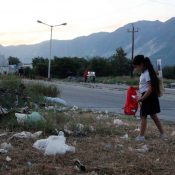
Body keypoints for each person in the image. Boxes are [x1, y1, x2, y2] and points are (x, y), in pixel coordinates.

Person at [132, 55, 164, 141]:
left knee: (143, 116)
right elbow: (144, 86)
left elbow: (150, 88)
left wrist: (142, 98)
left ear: (141, 64)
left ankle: (141, 136)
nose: (136, 69)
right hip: (149, 96)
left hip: (148, 96)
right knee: (153, 115)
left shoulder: (147, 73)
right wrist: (134, 87)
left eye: (136, 66)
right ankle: (162, 133)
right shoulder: (144, 73)